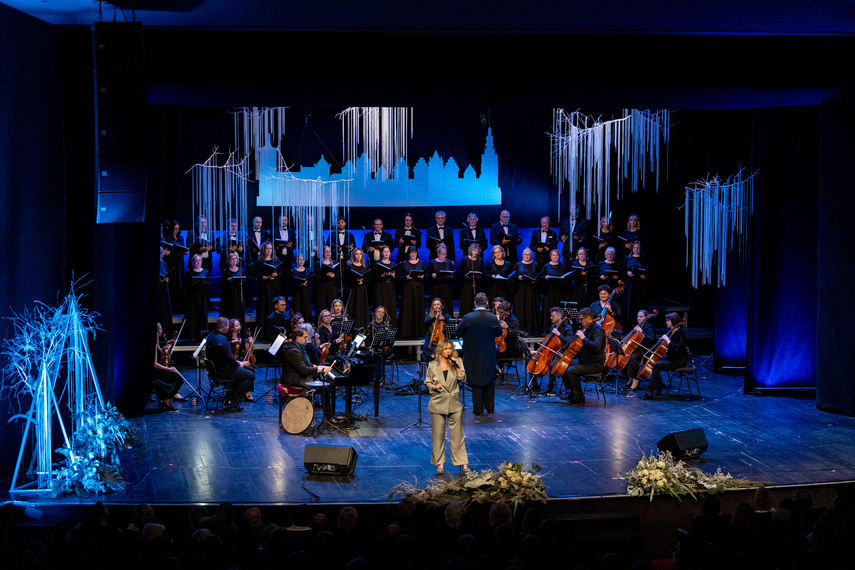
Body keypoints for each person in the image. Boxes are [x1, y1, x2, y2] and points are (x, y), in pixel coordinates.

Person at [424, 338, 470, 475]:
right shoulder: (433, 365)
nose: (448, 351)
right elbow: (427, 382)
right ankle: (440, 463)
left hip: (454, 402)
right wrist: (434, 386)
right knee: (438, 435)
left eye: (450, 348)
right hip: (438, 402)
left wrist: (457, 367)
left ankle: (463, 462)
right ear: (440, 350)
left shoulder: (457, 361)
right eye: (445, 348)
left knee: (458, 435)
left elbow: (462, 379)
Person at [455, 292, 503, 415]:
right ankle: (490, 408)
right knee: (489, 380)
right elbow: (499, 333)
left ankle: (478, 410)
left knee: (475, 382)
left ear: (475, 303)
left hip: (472, 355)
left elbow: (458, 332)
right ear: (487, 303)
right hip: (488, 354)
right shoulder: (492, 318)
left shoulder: (468, 317)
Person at [207, 316, 256, 408]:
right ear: (223, 326)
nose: (229, 328)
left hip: (216, 370)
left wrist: (231, 343)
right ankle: (232, 400)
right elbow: (230, 360)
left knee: (249, 369)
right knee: (251, 375)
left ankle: (229, 396)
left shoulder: (212, 335)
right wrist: (239, 363)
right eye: (228, 326)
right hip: (223, 371)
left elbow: (221, 350)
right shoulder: (222, 340)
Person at [560, 307, 605, 405]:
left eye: (581, 319)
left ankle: (579, 396)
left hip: (594, 364)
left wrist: (583, 338)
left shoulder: (598, 330)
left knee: (571, 370)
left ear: (588, 318)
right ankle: (572, 392)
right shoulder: (587, 329)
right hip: (585, 361)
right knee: (563, 365)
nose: (580, 322)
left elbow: (596, 347)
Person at [641, 313, 688, 400]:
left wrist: (667, 339)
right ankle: (659, 385)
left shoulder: (679, 334)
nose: (666, 322)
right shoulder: (672, 332)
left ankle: (649, 390)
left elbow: (674, 348)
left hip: (679, 361)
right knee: (655, 364)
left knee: (657, 365)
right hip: (672, 358)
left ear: (673, 322)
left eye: (668, 321)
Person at [531, 307, 573, 394]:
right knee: (531, 359)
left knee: (552, 364)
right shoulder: (552, 327)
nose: (550, 318)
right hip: (551, 352)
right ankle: (534, 384)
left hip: (561, 353)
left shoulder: (567, 328)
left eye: (552, 316)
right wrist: (538, 351)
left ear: (559, 316)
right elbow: (549, 342)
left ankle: (551, 385)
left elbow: (569, 342)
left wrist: (559, 334)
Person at [621, 309, 657, 392]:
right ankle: (630, 378)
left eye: (641, 316)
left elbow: (651, 339)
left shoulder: (649, 327)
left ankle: (635, 380)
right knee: (628, 355)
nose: (639, 318)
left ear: (646, 318)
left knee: (634, 357)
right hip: (640, 349)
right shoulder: (639, 326)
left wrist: (642, 332)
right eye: (638, 316)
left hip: (648, 350)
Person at [153, 323, 184, 411]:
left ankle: (166, 398)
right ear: (156, 331)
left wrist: (163, 349)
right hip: (153, 373)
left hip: (156, 371)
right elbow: (154, 364)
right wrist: (169, 369)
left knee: (177, 377)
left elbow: (158, 354)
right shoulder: (154, 344)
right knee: (175, 376)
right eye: (160, 329)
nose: (161, 331)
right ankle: (166, 399)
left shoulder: (157, 343)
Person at [399, 248, 426, 338]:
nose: (413, 254)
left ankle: (418, 332)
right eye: (411, 253)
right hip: (408, 289)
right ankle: (407, 332)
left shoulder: (421, 262)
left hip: (418, 288)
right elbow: (400, 277)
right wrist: (405, 277)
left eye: (414, 253)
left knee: (418, 308)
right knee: (408, 309)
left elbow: (424, 275)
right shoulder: (404, 263)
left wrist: (422, 277)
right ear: (409, 254)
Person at [227, 318, 256, 403]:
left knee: (251, 368)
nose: (239, 327)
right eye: (236, 325)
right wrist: (233, 342)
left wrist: (248, 346)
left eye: (239, 325)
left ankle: (247, 391)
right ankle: (246, 393)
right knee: (248, 370)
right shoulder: (227, 339)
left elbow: (242, 352)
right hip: (231, 360)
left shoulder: (241, 339)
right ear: (231, 327)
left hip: (239, 359)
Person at [512, 248, 540, 334]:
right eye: (525, 254)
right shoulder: (518, 264)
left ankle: (531, 330)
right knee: (521, 309)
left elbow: (538, 276)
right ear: (522, 255)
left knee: (530, 309)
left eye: (528, 255)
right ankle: (520, 329)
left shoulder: (535, 264)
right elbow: (513, 276)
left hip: (531, 290)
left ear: (531, 256)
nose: (527, 256)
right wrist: (518, 278)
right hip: (520, 290)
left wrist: (535, 280)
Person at [539, 248, 567, 332]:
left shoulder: (563, 265)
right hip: (549, 291)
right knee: (548, 309)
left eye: (557, 255)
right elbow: (540, 277)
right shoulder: (546, 266)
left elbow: (566, 277)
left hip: (559, 290)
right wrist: (545, 277)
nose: (555, 257)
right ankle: (547, 329)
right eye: (553, 255)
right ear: (550, 256)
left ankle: (559, 329)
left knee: (558, 309)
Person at [184, 254, 210, 341]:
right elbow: (185, 285)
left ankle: (203, 334)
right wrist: (192, 282)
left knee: (202, 314)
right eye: (197, 261)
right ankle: (192, 335)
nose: (199, 263)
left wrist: (205, 282)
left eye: (200, 261)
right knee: (193, 314)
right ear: (192, 262)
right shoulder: (189, 272)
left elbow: (209, 284)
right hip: (192, 297)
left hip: (202, 296)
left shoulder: (205, 271)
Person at [255, 242, 280, 326]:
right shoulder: (259, 261)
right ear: (263, 250)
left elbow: (281, 273)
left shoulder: (276, 260)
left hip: (273, 286)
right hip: (264, 287)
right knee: (263, 307)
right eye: (267, 248)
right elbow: (256, 275)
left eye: (270, 249)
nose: (269, 250)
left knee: (273, 305)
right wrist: (266, 277)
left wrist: (276, 274)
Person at [623, 240, 649, 321]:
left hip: (640, 284)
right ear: (632, 248)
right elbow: (622, 270)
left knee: (640, 303)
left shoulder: (644, 259)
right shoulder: (628, 258)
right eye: (635, 248)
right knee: (630, 304)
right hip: (630, 283)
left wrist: (645, 276)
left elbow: (648, 272)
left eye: (638, 248)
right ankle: (629, 325)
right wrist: (627, 273)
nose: (636, 249)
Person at [372, 245, 398, 327]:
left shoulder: (393, 264)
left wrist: (393, 276)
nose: (386, 253)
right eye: (385, 252)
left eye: (388, 252)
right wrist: (382, 275)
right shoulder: (378, 264)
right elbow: (374, 278)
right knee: (381, 305)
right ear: (382, 253)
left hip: (390, 288)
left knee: (391, 307)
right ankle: (379, 327)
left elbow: (397, 280)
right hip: (381, 288)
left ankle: (391, 327)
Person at [345, 248, 371, 329]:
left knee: (362, 309)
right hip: (353, 290)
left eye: (360, 254)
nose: (359, 256)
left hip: (362, 290)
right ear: (354, 255)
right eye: (357, 254)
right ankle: (353, 329)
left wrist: (362, 282)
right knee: (353, 308)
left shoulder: (365, 266)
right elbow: (346, 280)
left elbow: (369, 279)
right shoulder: (350, 266)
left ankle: (363, 327)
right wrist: (355, 281)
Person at [428, 244, 455, 318]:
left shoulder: (448, 262)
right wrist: (432, 275)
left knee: (446, 305)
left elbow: (451, 273)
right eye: (442, 254)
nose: (444, 256)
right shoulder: (433, 262)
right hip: (436, 287)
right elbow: (428, 275)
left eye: (445, 254)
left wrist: (451, 276)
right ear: (438, 254)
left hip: (446, 287)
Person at [219, 252, 246, 329]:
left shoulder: (241, 270)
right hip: (228, 296)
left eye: (235, 259)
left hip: (238, 295)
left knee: (238, 313)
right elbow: (221, 283)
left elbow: (245, 282)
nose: (234, 260)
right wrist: (228, 281)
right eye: (231, 259)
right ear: (228, 261)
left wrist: (241, 281)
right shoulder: (225, 271)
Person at [458, 243, 484, 316]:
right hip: (467, 284)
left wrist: (479, 276)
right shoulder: (465, 259)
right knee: (467, 301)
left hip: (477, 284)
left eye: (476, 251)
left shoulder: (480, 260)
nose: (475, 252)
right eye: (473, 250)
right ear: (470, 250)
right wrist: (465, 276)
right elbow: (459, 271)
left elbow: (481, 271)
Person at [314, 245, 340, 318]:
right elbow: (316, 277)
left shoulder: (334, 263)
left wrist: (333, 276)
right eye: (326, 252)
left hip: (331, 287)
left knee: (330, 304)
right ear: (323, 253)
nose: (328, 253)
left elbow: (338, 277)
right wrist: (326, 275)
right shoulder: (318, 263)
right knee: (321, 305)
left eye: (329, 251)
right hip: (322, 288)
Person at [495, 300, 519, 377]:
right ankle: (494, 373)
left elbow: (515, 336)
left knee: (489, 355)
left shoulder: (514, 321)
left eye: (501, 313)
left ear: (508, 312)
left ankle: (495, 374)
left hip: (510, 349)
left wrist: (507, 327)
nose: (499, 314)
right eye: (499, 312)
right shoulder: (502, 319)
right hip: (501, 346)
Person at [274, 215, 296, 297]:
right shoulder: (274, 230)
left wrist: (291, 245)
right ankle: (277, 299)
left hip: (288, 258)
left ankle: (285, 300)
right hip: (278, 257)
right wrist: (277, 245)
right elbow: (270, 242)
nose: (284, 222)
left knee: (287, 279)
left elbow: (295, 243)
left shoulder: (291, 231)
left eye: (285, 220)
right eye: (282, 220)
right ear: (278, 221)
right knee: (278, 278)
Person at [423, 298, 451, 362]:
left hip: (443, 340)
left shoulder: (446, 316)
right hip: (431, 341)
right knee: (432, 356)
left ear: (441, 306)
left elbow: (451, 325)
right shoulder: (429, 316)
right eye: (434, 305)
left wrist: (444, 320)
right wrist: (435, 318)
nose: (436, 306)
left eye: (438, 304)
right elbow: (425, 324)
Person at [290, 254, 312, 322]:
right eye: (299, 259)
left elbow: (312, 280)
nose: (301, 261)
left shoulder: (308, 270)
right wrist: (299, 284)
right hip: (297, 293)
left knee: (306, 309)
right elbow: (291, 282)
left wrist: (307, 283)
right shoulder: (293, 271)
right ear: (296, 260)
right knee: (297, 308)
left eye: (302, 259)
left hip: (306, 293)